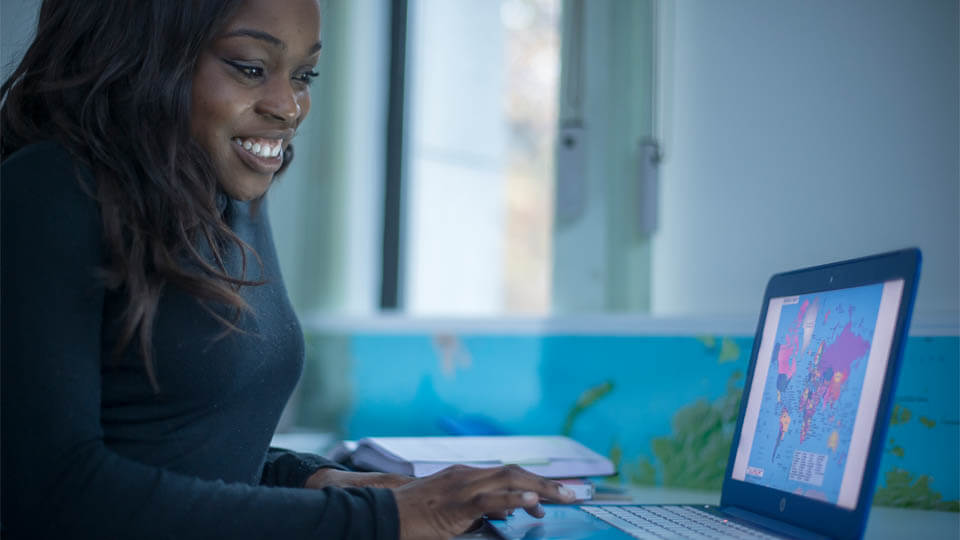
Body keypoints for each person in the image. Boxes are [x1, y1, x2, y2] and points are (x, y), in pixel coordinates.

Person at [0, 1, 576, 538]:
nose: (289, 106)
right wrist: (384, 518)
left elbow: (190, 453)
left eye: (304, 75)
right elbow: (52, 491)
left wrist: (315, 479)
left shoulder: (229, 197)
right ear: (142, 56)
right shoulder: (49, 190)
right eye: (252, 69)